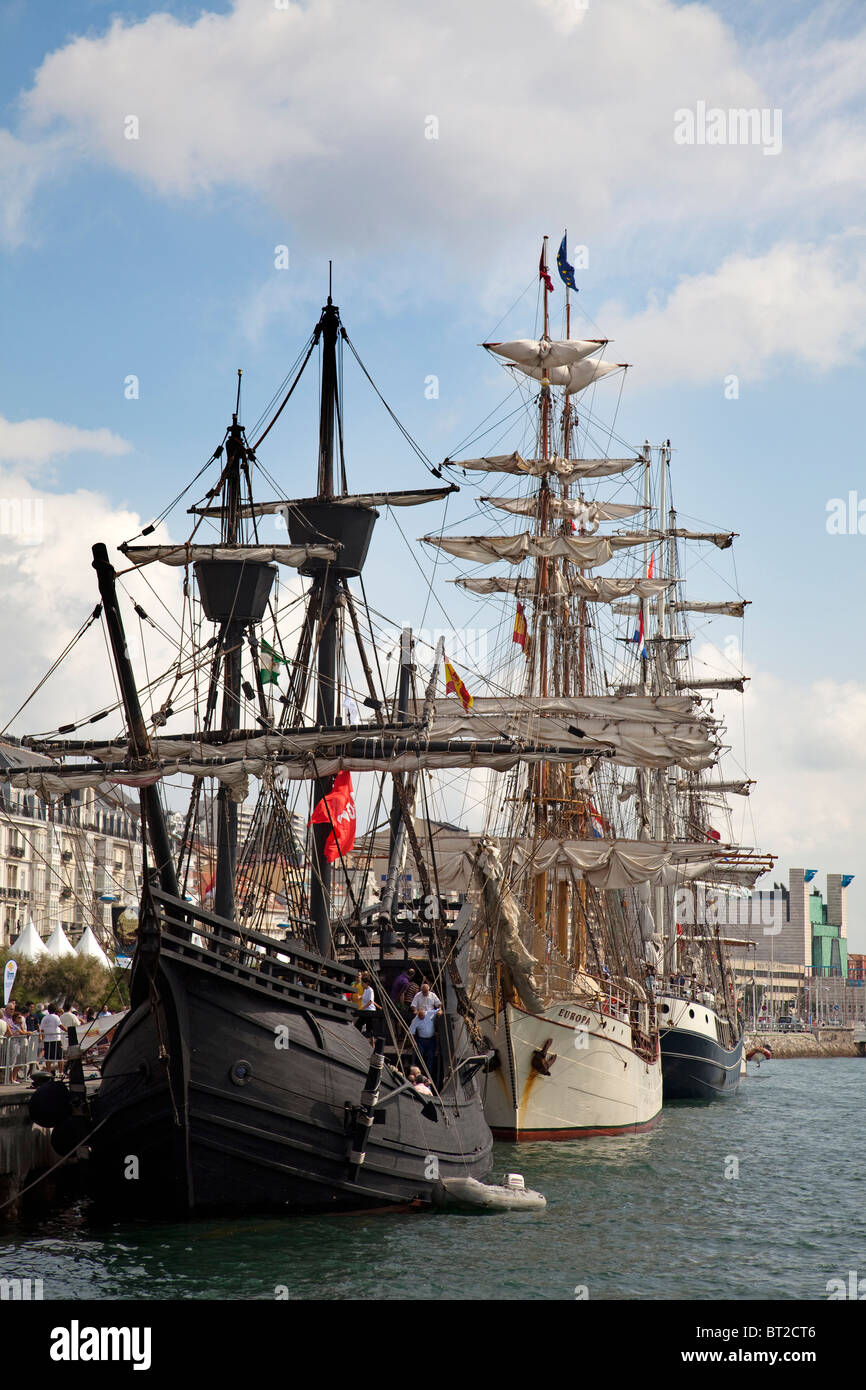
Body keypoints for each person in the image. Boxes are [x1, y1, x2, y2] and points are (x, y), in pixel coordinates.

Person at [409, 983, 441, 1076]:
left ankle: (429, 1075)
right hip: (421, 1040)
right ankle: (419, 1074)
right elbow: (410, 1032)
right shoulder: (416, 1019)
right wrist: (413, 1042)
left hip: (431, 1039)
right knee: (420, 1056)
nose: (421, 1018)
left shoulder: (430, 1013)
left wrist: (440, 1011)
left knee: (430, 1057)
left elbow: (439, 1006)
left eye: (426, 992)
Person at [39, 1006, 65, 1075]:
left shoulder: (44, 1018)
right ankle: (61, 1072)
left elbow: (41, 1029)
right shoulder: (56, 1017)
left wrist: (41, 1036)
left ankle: (48, 1072)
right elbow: (60, 1025)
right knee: (60, 1057)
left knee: (48, 1058)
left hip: (47, 1040)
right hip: (56, 1039)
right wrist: (68, 1030)